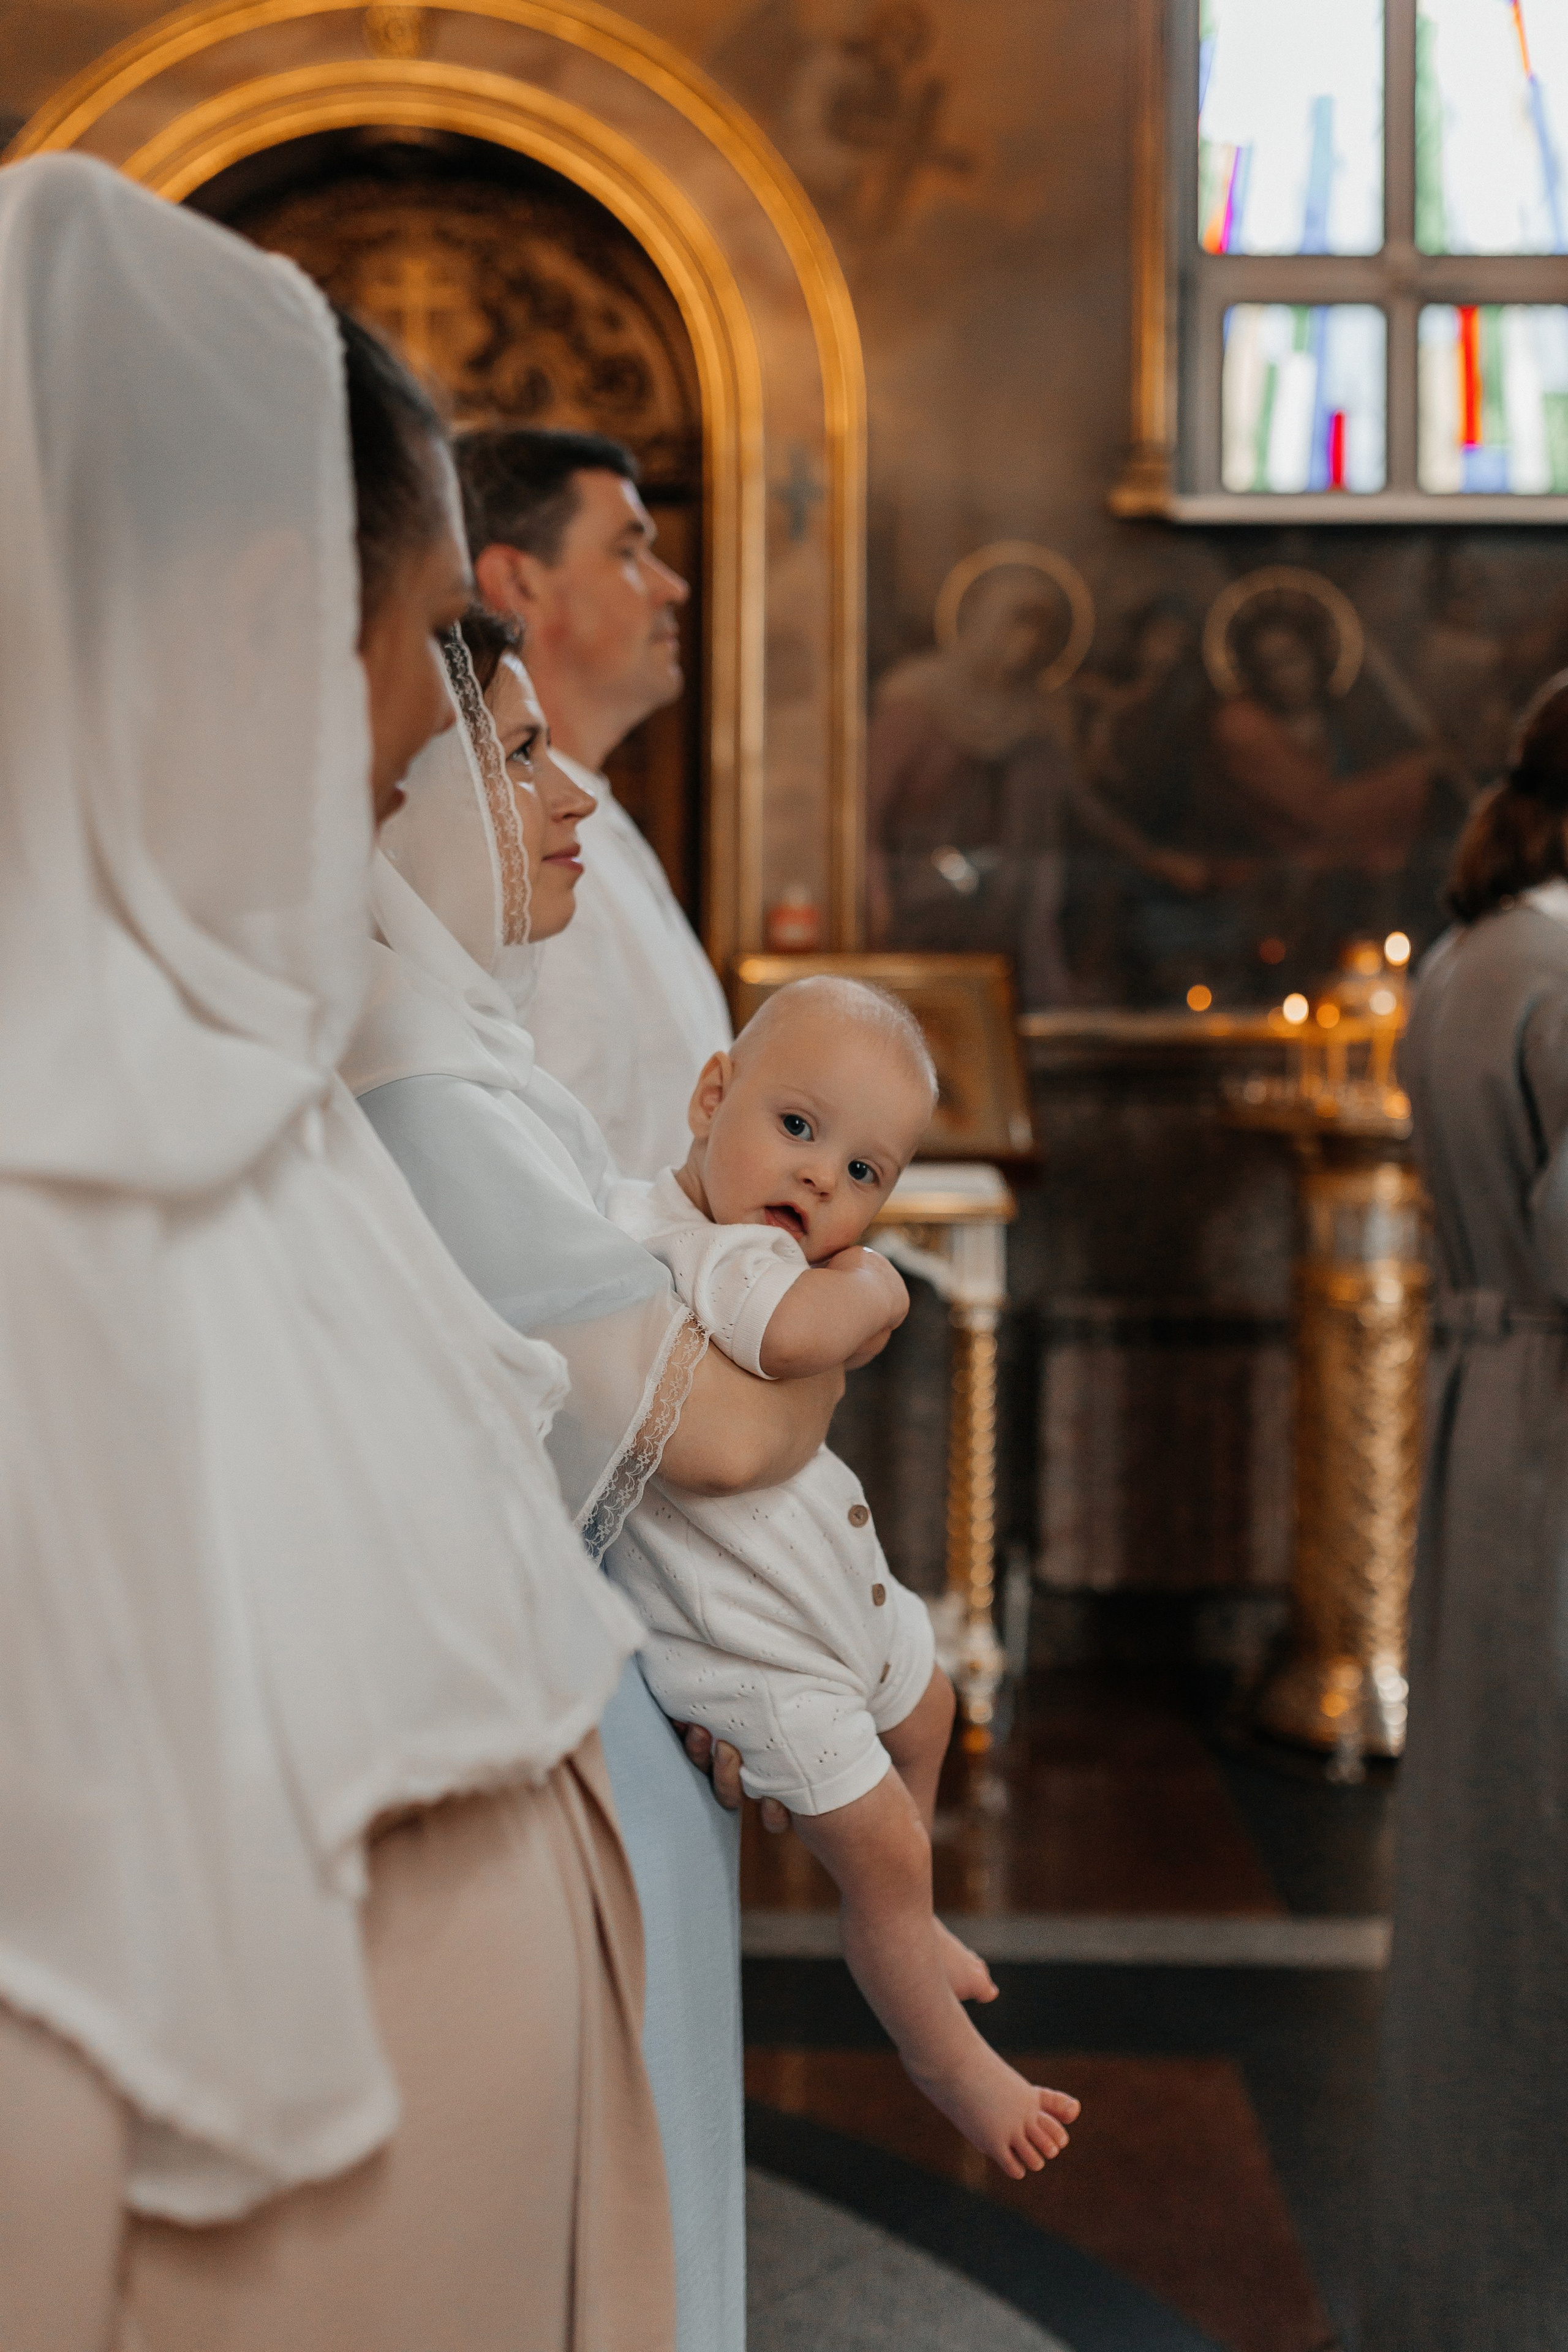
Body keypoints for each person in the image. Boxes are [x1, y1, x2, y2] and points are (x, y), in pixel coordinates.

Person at [0, 155, 671, 2352]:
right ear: (244, 630)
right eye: (403, 683)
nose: (420, 758)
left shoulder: (259, 1134)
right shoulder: (49, 1262)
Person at [342, 623, 846, 2352]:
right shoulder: (411, 1064)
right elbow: (703, 1427)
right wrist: (841, 1298)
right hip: (528, 1718)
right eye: (511, 759)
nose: (569, 801)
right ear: (393, 791)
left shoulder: (455, 1037)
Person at [605, 977, 1081, 2177]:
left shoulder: (748, 1235)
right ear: (712, 1097)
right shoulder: (693, 1247)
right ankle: (939, 2056)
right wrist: (875, 1278)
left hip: (833, 1601)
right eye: (798, 1129)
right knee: (877, 1844)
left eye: (865, 1173)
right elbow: (797, 1336)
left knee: (929, 1709)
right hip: (750, 1653)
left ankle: (907, 1931)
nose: (821, 1183)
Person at [1362, 673, 1568, 2350]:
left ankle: (1460, 2279)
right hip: (1556, 1421)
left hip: (1492, 1410)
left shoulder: (1483, 948)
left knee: (1489, 1864)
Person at [454, 425, 731, 1176]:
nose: (672, 585)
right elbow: (551, 1165)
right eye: (627, 550)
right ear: (518, 584)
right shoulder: (511, 845)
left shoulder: (588, 813)